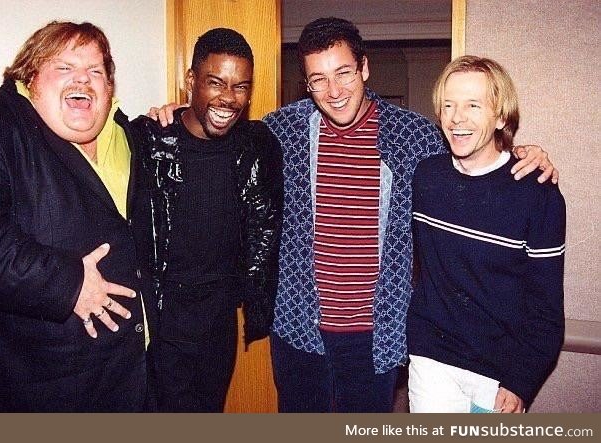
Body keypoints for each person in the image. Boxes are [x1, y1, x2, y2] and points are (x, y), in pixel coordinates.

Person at [150, 17, 557, 413]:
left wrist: (520, 153)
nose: (334, 90)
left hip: (375, 337)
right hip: (297, 330)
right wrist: (175, 116)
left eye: (343, 72)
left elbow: (471, 153)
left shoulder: (415, 136)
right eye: (318, 79)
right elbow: (221, 129)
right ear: (307, 85)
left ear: (364, 68)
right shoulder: (280, 130)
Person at [0, 21, 147, 412]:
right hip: (43, 393)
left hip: (131, 382)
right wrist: (68, 284)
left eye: (96, 71)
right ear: (31, 77)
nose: (83, 78)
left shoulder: (126, 134)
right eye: (64, 67)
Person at [131, 28, 283, 412]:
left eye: (241, 87)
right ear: (190, 81)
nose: (228, 98)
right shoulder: (148, 140)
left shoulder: (257, 143)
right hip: (162, 316)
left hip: (219, 321)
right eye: (216, 83)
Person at [407, 56, 565, 413]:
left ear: (500, 117)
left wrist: (521, 381)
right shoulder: (426, 177)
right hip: (432, 360)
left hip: (499, 371)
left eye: (473, 105)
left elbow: (546, 307)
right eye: (448, 105)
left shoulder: (536, 191)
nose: (456, 117)